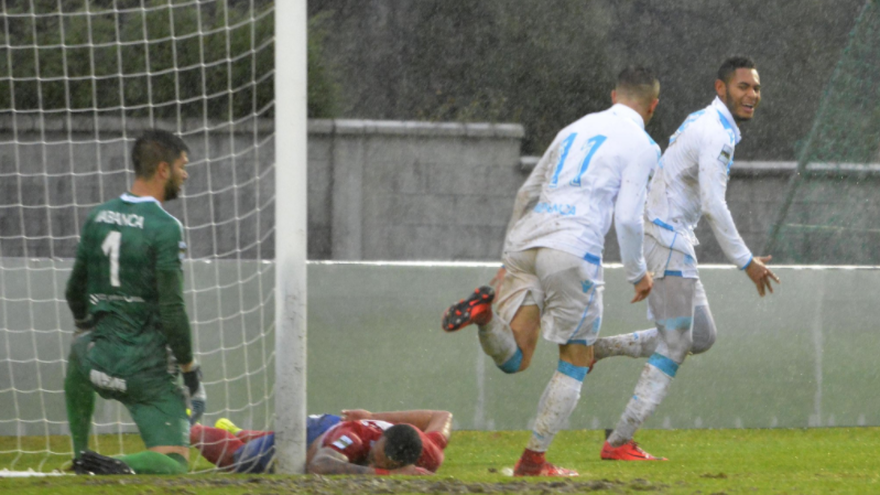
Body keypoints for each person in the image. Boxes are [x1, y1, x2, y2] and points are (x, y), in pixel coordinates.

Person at [442, 67, 662, 476]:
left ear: (614, 95)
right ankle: (532, 461)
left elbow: (526, 191)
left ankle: (486, 318)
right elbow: (629, 218)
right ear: (653, 106)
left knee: (517, 359)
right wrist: (638, 273)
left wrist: (507, 258)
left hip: (526, 239)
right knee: (576, 359)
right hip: (572, 248)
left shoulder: (574, 127)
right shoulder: (645, 145)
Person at [595, 56, 780, 461]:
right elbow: (714, 204)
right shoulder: (716, 132)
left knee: (700, 336)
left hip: (670, 236)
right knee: (677, 342)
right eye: (743, 87)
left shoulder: (711, 124)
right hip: (666, 237)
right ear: (721, 88)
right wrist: (746, 261)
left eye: (756, 88)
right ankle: (619, 441)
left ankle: (599, 349)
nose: (752, 95)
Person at [64, 129, 203, 475]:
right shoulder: (165, 227)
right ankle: (115, 465)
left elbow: (73, 290)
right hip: (144, 374)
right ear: (162, 170)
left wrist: (84, 328)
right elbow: (172, 311)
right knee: (173, 463)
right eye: (182, 166)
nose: (185, 174)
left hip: (96, 364)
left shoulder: (98, 216)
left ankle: (80, 454)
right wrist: (190, 370)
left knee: (77, 352)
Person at [190, 408, 452, 475]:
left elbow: (442, 416)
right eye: (374, 454)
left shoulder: (430, 453)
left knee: (263, 442)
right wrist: (384, 473)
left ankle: (240, 431)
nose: (371, 458)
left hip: (341, 430)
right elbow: (319, 465)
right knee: (238, 460)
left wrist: (373, 416)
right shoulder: (353, 439)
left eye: (381, 462)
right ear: (380, 439)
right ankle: (190, 428)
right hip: (316, 432)